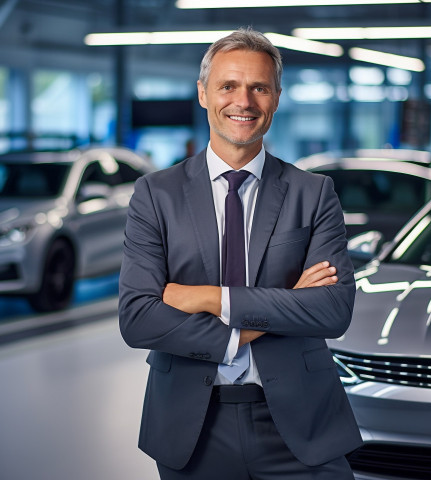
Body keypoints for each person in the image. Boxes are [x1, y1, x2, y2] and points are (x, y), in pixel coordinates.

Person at [119, 28, 362, 480]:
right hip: (192, 426)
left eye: (259, 87)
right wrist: (264, 319)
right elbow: (138, 318)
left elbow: (332, 310)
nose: (243, 101)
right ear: (203, 93)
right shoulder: (155, 194)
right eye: (228, 85)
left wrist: (211, 298)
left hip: (301, 424)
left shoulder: (314, 193)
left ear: (276, 97)